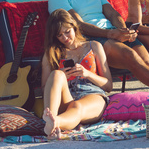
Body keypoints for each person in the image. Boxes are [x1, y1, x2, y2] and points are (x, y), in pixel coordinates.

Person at [41, 9, 112, 138]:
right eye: (59, 35)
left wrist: (87, 74)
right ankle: (50, 117)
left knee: (76, 106)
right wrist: (63, 76)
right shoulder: (52, 52)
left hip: (92, 94)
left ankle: (54, 123)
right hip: (66, 95)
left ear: (74, 27)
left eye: (67, 32)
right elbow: (44, 88)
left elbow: (108, 86)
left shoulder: (94, 46)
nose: (65, 38)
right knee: (57, 74)